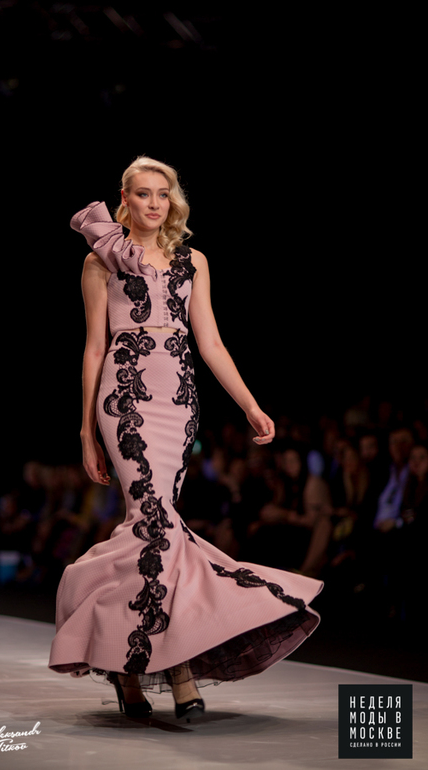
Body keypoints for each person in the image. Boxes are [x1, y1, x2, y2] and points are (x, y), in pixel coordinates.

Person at [48, 157, 322, 721]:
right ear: (124, 198)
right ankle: (179, 670)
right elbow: (93, 348)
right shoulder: (100, 260)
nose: (154, 203)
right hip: (124, 399)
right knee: (156, 523)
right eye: (143, 193)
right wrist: (85, 432)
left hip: (177, 401)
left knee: (154, 530)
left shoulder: (193, 261)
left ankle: (127, 670)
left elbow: (210, 342)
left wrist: (250, 405)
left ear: (172, 201)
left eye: (163, 194)